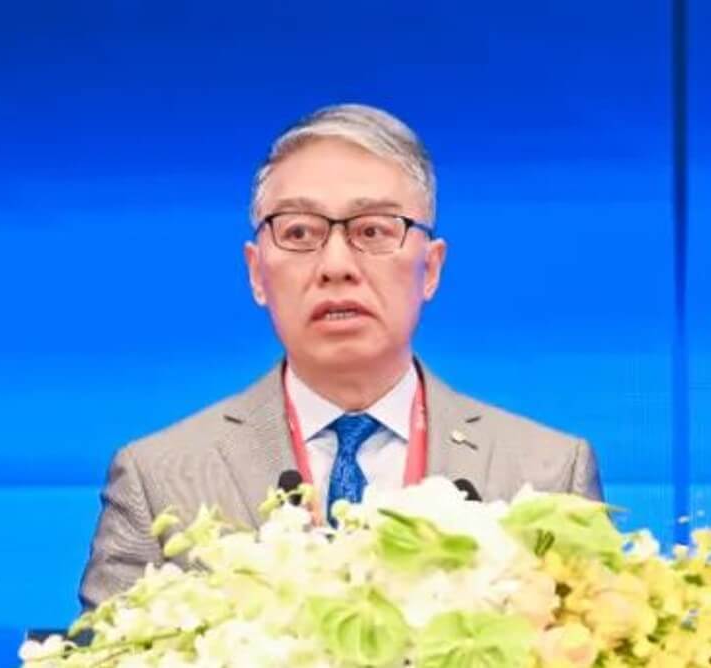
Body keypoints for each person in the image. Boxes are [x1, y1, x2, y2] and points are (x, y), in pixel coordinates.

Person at [79, 103, 602, 609]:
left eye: (372, 230)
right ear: (257, 273)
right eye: (299, 232)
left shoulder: (548, 473)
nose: (336, 265)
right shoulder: (158, 477)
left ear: (431, 268)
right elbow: (106, 651)